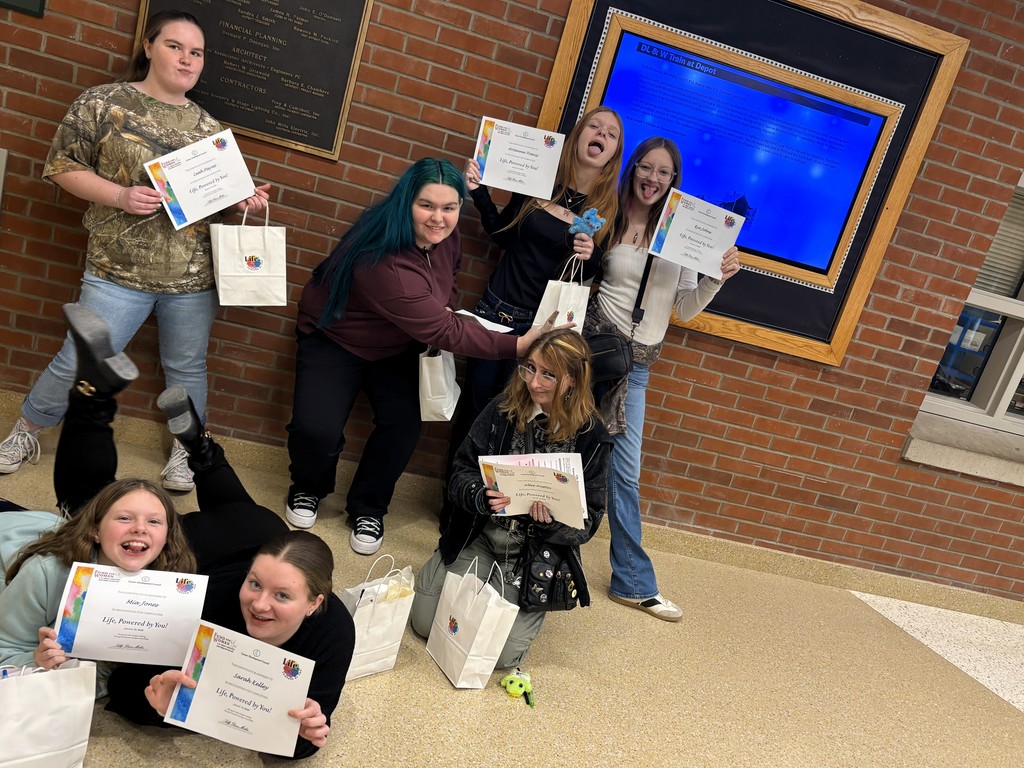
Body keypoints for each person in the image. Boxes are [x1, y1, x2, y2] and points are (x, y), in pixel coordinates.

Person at [0, 9, 270, 493]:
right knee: (80, 359)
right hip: (114, 271)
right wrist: (120, 196)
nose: (186, 59)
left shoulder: (209, 129)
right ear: (148, 47)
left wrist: (242, 201)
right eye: (175, 46)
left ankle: (188, 454)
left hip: (191, 278)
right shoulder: (102, 103)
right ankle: (27, 431)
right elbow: (61, 167)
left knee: (187, 368)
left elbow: (213, 206)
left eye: (196, 52)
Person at [284, 157, 564, 554]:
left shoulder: (446, 236)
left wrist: (444, 303)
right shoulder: (382, 256)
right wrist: (518, 345)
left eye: (449, 207)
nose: (439, 218)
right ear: (406, 202)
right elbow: (442, 330)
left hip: (397, 343)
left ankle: (368, 507)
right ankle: (308, 487)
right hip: (336, 337)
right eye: (427, 205)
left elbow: (449, 277)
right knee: (316, 430)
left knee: (403, 426)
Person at [102, 386, 356, 760]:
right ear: (249, 576)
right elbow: (124, 686)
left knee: (237, 508)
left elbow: (300, 745)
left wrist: (308, 730)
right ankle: (200, 451)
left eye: (282, 596)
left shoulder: (335, 632)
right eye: (255, 585)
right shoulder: (217, 599)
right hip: (212, 550)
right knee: (228, 514)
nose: (259, 604)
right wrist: (160, 706)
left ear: (315, 603)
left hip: (263, 535)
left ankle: (201, 449)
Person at [442, 106, 623, 525]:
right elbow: (502, 234)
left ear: (613, 153)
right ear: (578, 136)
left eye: (611, 134)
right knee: (475, 415)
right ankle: (456, 509)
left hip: (542, 329)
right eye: (594, 126)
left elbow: (594, 275)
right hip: (494, 315)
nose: (601, 134)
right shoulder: (539, 183)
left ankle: (498, 517)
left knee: (518, 420)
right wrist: (479, 191)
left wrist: (591, 255)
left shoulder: (607, 212)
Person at [585, 136, 741, 621]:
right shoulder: (607, 216)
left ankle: (632, 582)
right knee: (556, 446)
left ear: (675, 181)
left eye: (664, 173)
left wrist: (717, 277)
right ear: (633, 169)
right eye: (646, 168)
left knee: (625, 477)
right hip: (589, 357)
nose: (653, 179)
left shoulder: (684, 236)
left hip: (635, 372)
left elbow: (686, 309)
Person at [0, 304, 196, 691]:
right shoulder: (45, 573)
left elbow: (119, 670)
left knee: (80, 499)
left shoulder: (171, 586)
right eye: (125, 519)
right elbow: (4, 652)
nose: (141, 527)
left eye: (154, 522)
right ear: (93, 531)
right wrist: (35, 662)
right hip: (11, 540)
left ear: (168, 538)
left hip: (47, 526)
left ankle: (95, 390)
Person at [410, 329, 611, 667]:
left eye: (549, 374)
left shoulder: (593, 437)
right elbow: (461, 471)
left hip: (532, 556)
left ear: (573, 380)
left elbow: (588, 521)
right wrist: (479, 495)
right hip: (481, 538)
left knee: (500, 657)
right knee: (424, 623)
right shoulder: (502, 409)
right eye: (530, 368)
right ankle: (462, 575)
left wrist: (553, 521)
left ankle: (509, 597)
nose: (534, 382)